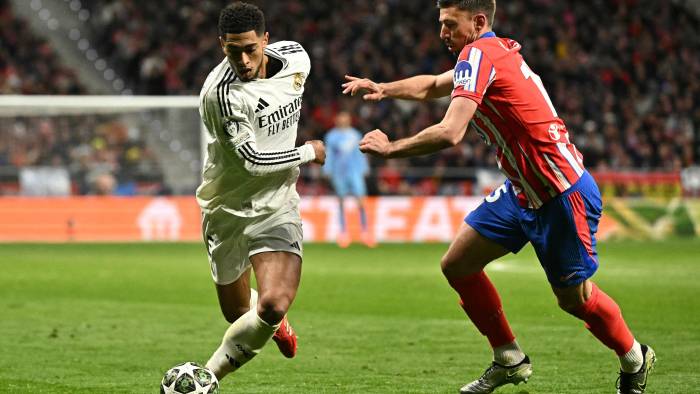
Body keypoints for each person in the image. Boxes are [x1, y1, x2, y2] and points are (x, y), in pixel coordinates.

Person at [342, 1, 655, 393]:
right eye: (440, 24)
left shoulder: (478, 54)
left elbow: (450, 132)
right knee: (457, 265)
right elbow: (433, 85)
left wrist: (391, 150)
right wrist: (384, 88)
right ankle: (509, 358)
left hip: (560, 193)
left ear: (477, 22)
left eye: (449, 24)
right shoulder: (488, 52)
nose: (442, 32)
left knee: (574, 300)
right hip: (523, 190)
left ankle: (634, 357)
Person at [196, 1, 325, 383]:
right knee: (239, 313)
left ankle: (207, 378)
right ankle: (275, 325)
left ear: (266, 41)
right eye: (233, 50)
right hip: (227, 209)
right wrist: (309, 152)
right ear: (222, 45)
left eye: (250, 48)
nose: (243, 59)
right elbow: (250, 160)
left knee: (270, 305)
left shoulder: (297, 59)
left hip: (277, 205)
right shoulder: (219, 95)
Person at [323, 111, 374, 247]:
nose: (343, 121)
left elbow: (360, 153)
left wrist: (364, 168)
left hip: (355, 172)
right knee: (341, 202)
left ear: (349, 120)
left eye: (346, 118)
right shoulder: (332, 136)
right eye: (341, 118)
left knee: (361, 202)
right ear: (337, 120)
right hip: (339, 173)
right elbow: (329, 154)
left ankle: (365, 232)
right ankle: (343, 233)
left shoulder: (355, 134)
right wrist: (327, 169)